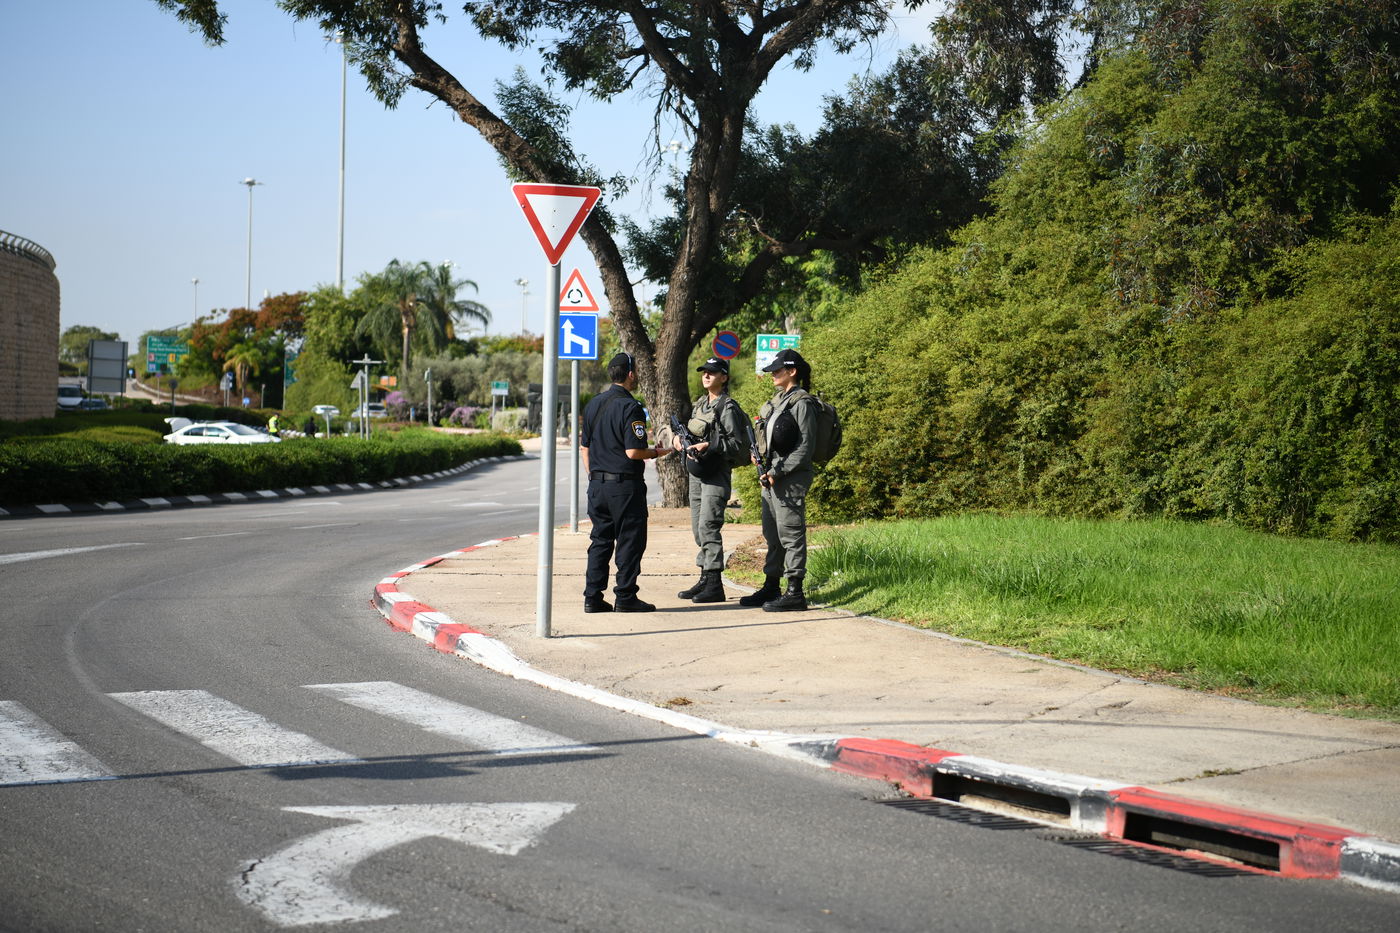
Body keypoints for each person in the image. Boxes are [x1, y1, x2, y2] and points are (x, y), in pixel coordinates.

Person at [580, 352, 673, 613]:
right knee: (630, 541)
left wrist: (594, 476)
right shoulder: (631, 407)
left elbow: (584, 448)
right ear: (631, 374)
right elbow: (633, 452)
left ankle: (592, 597)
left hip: (597, 486)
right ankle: (625, 596)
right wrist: (658, 452)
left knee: (600, 541)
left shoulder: (593, 404)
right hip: (624, 488)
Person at [743, 348, 818, 612]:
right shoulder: (778, 400)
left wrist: (777, 472)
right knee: (772, 534)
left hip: (789, 477)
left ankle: (795, 592)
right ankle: (771, 586)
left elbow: (805, 448)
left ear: (792, 371)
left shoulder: (802, 403)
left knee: (791, 534)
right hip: (771, 475)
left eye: (777, 370)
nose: (773, 374)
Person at [672, 357, 750, 603]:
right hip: (697, 472)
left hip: (716, 472)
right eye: (704, 372)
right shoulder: (700, 404)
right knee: (698, 529)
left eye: (712, 372)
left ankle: (715, 584)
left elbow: (736, 443)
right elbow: (692, 432)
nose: (706, 376)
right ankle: (705, 577)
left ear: (724, 377)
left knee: (708, 525)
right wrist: (678, 440)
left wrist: (710, 445)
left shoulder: (728, 407)